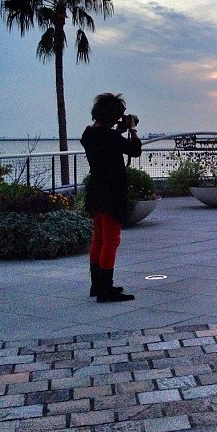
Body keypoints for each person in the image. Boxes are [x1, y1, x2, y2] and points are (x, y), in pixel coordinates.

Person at [81, 93, 142, 302]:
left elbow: (106, 144)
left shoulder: (88, 134)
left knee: (98, 238)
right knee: (111, 240)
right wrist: (132, 130)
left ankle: (97, 285)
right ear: (113, 115)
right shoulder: (110, 137)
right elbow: (134, 151)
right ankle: (105, 290)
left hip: (95, 191)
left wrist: (118, 130)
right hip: (111, 194)